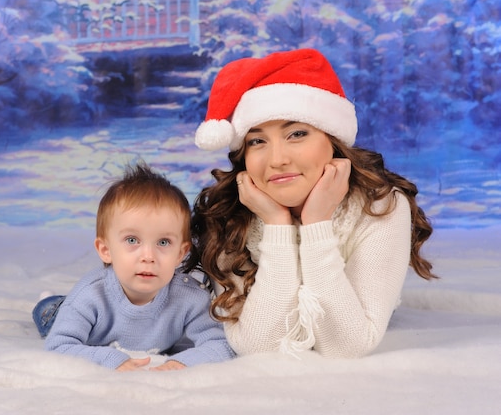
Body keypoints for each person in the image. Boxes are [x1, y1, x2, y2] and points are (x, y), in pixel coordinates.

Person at [183, 48, 437, 359]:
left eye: (297, 134)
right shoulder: (227, 214)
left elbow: (346, 346)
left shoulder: (380, 207)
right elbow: (260, 346)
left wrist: (317, 225)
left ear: (332, 141)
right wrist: (277, 225)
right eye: (257, 141)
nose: (277, 159)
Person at [34, 162, 235, 371]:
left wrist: (181, 363)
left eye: (163, 242)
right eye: (132, 240)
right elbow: (58, 346)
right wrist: (109, 358)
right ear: (105, 250)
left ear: (180, 253)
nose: (148, 257)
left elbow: (220, 344)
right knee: (49, 313)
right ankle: (51, 303)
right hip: (69, 315)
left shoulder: (190, 297)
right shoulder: (90, 295)